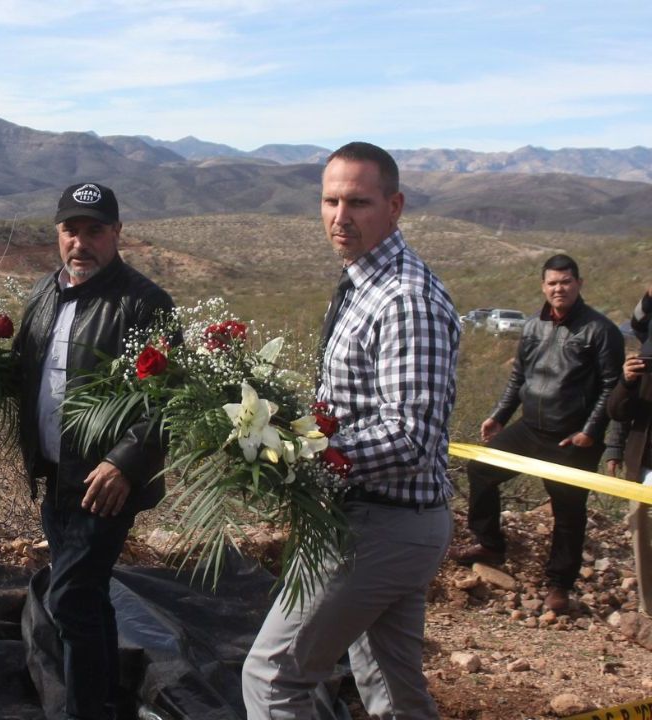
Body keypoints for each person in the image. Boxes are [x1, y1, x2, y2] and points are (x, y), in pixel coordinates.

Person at [242, 142, 459, 719]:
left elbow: (412, 435)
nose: (341, 217)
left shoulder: (404, 300)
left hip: (381, 525)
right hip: (381, 520)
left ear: (395, 206)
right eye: (330, 201)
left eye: (358, 202)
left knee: (271, 679)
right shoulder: (365, 284)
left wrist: (295, 451)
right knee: (392, 692)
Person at [12, 182, 174, 720]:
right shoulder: (43, 294)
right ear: (58, 234)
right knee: (89, 597)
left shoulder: (145, 303)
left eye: (95, 230)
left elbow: (169, 400)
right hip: (56, 476)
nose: (81, 242)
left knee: (70, 600)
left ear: (117, 233)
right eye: (70, 230)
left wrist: (124, 462)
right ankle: (107, 701)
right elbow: (20, 375)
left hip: (104, 485)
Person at [453, 254, 623, 612]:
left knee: (568, 510)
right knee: (481, 470)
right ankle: (490, 544)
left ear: (578, 284)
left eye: (565, 282)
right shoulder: (531, 327)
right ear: (543, 286)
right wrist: (499, 415)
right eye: (552, 283)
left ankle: (560, 584)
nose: (558, 289)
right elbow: (519, 378)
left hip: (573, 438)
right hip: (530, 429)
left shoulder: (600, 330)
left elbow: (611, 387)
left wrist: (589, 433)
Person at [603, 289, 652, 618]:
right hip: (644, 464)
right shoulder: (644, 363)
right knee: (641, 541)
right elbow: (619, 412)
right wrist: (627, 381)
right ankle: (649, 609)